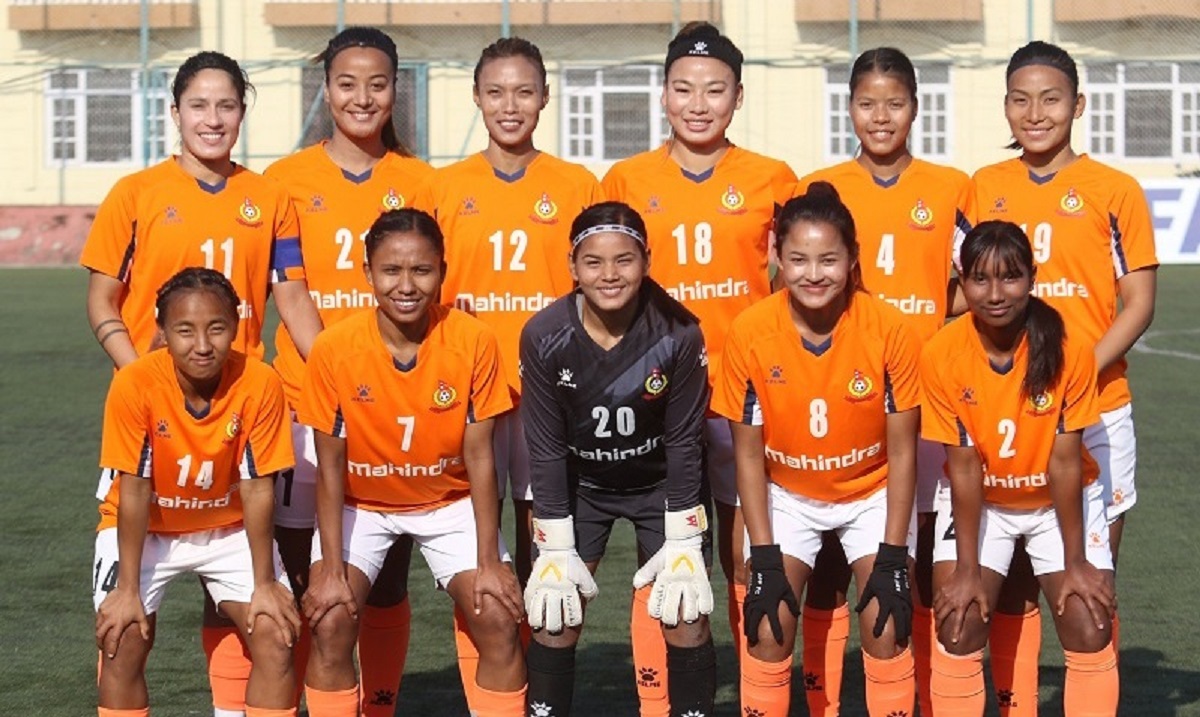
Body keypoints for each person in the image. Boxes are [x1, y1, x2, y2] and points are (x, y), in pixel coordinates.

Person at [81, 50, 322, 717]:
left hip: (238, 418)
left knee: (266, 620)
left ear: (242, 113)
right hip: (155, 417)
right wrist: (142, 376)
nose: (212, 119)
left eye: (226, 106)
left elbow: (293, 300)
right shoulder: (135, 194)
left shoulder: (270, 198)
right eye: (198, 105)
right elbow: (102, 300)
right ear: (175, 111)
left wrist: (339, 373)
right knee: (124, 632)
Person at [601, 23, 797, 704]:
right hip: (658, 398)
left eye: (714, 90)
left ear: (738, 97)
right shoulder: (626, 179)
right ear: (663, 95)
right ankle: (660, 704)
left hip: (744, 397)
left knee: (746, 558)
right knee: (664, 562)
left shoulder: (773, 178)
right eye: (683, 89)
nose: (698, 103)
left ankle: (756, 697)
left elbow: (795, 287)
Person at [411, 35, 602, 707]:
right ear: (476, 97)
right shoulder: (442, 187)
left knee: (546, 551)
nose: (510, 105)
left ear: (545, 97)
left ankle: (539, 690)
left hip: (553, 398)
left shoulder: (577, 186)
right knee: (479, 555)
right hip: (470, 401)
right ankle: (492, 696)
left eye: (524, 91)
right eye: (495, 92)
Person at [971, 40, 1157, 713]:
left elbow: (1138, 302)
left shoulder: (1115, 190)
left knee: (1090, 585)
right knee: (1014, 583)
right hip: (1003, 415)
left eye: (1050, 99)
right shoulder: (984, 186)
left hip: (1096, 409)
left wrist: (1073, 375)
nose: (1035, 113)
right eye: (1021, 99)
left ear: (1077, 105)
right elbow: (964, 293)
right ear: (1005, 106)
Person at [795, 47, 975, 717]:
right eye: (867, 103)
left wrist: (929, 316)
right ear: (848, 109)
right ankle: (824, 701)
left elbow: (978, 282)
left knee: (918, 563)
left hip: (927, 404)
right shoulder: (821, 187)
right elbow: (796, 283)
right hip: (842, 400)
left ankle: (923, 698)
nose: (880, 116)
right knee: (830, 573)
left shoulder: (951, 187)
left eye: (894, 103)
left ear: (916, 109)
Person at [263, 27, 433, 716]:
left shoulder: (421, 182)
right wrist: (337, 370)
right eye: (346, 83)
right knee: (302, 573)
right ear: (326, 89)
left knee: (385, 578)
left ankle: (378, 705)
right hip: (303, 399)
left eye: (378, 84)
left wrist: (382, 378)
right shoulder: (285, 181)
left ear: (395, 91)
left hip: (393, 405)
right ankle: (309, 699)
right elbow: (290, 289)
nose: (362, 97)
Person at [298, 208, 526, 717]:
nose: (406, 286)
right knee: (330, 617)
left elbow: (480, 456)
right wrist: (330, 570)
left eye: (421, 270)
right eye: (391, 270)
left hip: (449, 502)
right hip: (361, 505)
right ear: (367, 272)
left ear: (442, 270)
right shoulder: (334, 348)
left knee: (497, 615)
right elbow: (330, 469)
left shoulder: (473, 340)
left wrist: (489, 562)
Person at [711, 183, 920, 717]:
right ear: (777, 258)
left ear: (853, 260)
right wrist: (763, 556)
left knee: (888, 620)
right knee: (767, 624)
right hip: (788, 494)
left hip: (871, 493)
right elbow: (748, 457)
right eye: (799, 259)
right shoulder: (751, 331)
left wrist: (893, 556)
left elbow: (903, 454)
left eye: (829, 259)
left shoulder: (889, 330)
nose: (813, 274)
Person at [519, 202, 715, 717]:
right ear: (572, 265)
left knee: (686, 611)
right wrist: (554, 544)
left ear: (646, 260)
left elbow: (685, 441)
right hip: (583, 486)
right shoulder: (544, 335)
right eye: (593, 262)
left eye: (624, 260)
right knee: (554, 614)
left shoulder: (679, 332)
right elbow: (545, 445)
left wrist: (684, 539)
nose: (609, 274)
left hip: (661, 487)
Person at [923, 220, 1118, 715]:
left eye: (1010, 277)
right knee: (959, 621)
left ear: (1033, 276)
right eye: (980, 279)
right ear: (962, 282)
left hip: (1056, 503)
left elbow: (1065, 462)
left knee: (1090, 621)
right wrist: (967, 571)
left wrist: (1076, 562)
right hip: (983, 501)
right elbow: (963, 469)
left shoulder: (1069, 348)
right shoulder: (942, 353)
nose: (995, 294)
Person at [93, 267, 301, 717]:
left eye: (217, 328)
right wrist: (126, 589)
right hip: (147, 530)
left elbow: (257, 488)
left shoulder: (261, 382)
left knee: (276, 632)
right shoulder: (135, 383)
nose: (202, 345)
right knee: (121, 638)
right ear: (162, 330)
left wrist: (265, 584)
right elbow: (134, 491)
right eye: (185, 330)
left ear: (238, 326)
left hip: (229, 529)